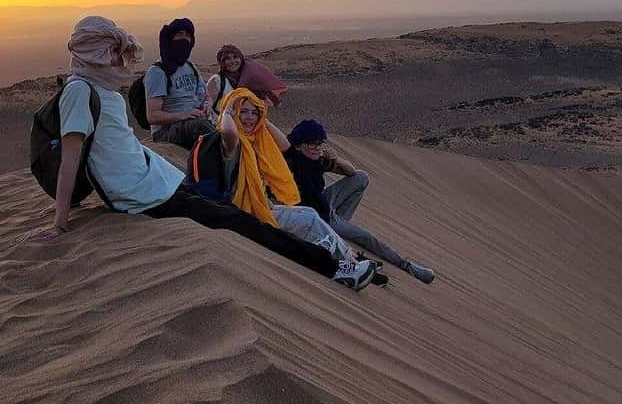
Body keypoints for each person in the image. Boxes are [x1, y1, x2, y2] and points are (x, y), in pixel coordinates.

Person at [35, 16, 377, 291]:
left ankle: (334, 257)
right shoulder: (79, 91)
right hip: (144, 196)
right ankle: (335, 268)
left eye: (116, 50)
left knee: (241, 214)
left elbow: (120, 144)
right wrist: (60, 222)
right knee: (241, 223)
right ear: (93, 53)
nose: (116, 58)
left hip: (162, 179)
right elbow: (72, 157)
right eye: (110, 51)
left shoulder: (105, 91)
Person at [213, 87, 368, 269]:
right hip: (246, 211)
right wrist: (227, 110)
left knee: (310, 214)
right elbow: (229, 133)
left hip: (262, 205)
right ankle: (345, 263)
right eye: (243, 111)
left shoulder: (256, 143)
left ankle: (349, 256)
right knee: (309, 220)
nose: (249, 118)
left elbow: (285, 147)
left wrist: (264, 119)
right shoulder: (232, 143)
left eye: (254, 113)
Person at [285, 119, 435, 284]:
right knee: (366, 236)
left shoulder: (318, 160)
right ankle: (405, 265)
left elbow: (351, 172)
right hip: (315, 215)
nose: (317, 147)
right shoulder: (292, 160)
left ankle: (341, 223)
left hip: (323, 203)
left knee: (361, 177)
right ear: (299, 144)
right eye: (312, 143)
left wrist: (336, 159)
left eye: (320, 143)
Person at [144, 18, 215, 149]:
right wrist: (182, 115)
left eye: (188, 35)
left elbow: (207, 97)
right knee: (202, 127)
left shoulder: (191, 66)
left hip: (197, 121)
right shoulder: (158, 71)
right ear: (170, 38)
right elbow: (152, 116)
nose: (185, 38)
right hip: (166, 131)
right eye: (180, 34)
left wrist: (207, 105)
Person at [206, 44, 287, 113]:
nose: (232, 61)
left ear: (241, 58)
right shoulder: (217, 81)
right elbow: (208, 105)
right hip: (222, 124)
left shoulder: (250, 78)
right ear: (221, 62)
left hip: (247, 123)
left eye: (235, 57)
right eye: (227, 58)